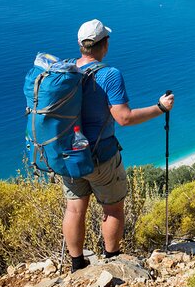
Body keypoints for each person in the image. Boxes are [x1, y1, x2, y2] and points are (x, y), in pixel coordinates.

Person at [63, 19, 174, 272]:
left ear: (80, 45)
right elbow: (124, 118)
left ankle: (76, 265)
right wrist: (160, 108)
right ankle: (112, 262)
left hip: (68, 156)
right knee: (112, 209)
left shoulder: (65, 73)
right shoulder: (109, 74)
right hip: (101, 156)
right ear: (105, 44)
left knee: (74, 209)